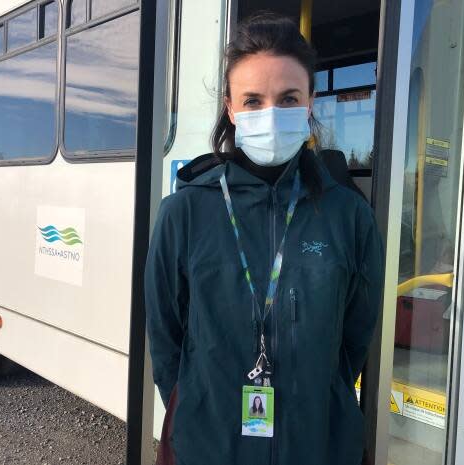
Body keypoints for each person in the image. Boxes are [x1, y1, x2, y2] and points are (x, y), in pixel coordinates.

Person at [145, 12, 385, 465]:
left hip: (318, 446)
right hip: (208, 446)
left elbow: (355, 339)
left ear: (311, 101)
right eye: (253, 100)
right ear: (230, 108)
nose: (270, 114)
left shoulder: (348, 215)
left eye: (288, 97)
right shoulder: (185, 212)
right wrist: (200, 403)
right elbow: (166, 338)